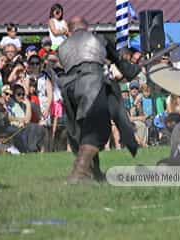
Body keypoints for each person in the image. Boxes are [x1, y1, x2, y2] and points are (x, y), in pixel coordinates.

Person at [57, 16, 140, 183]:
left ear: (70, 30)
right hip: (91, 83)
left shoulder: (62, 46)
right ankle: (79, 173)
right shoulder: (98, 38)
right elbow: (121, 64)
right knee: (97, 130)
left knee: (84, 133)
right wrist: (135, 69)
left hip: (68, 89)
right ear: (86, 28)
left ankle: (95, 174)